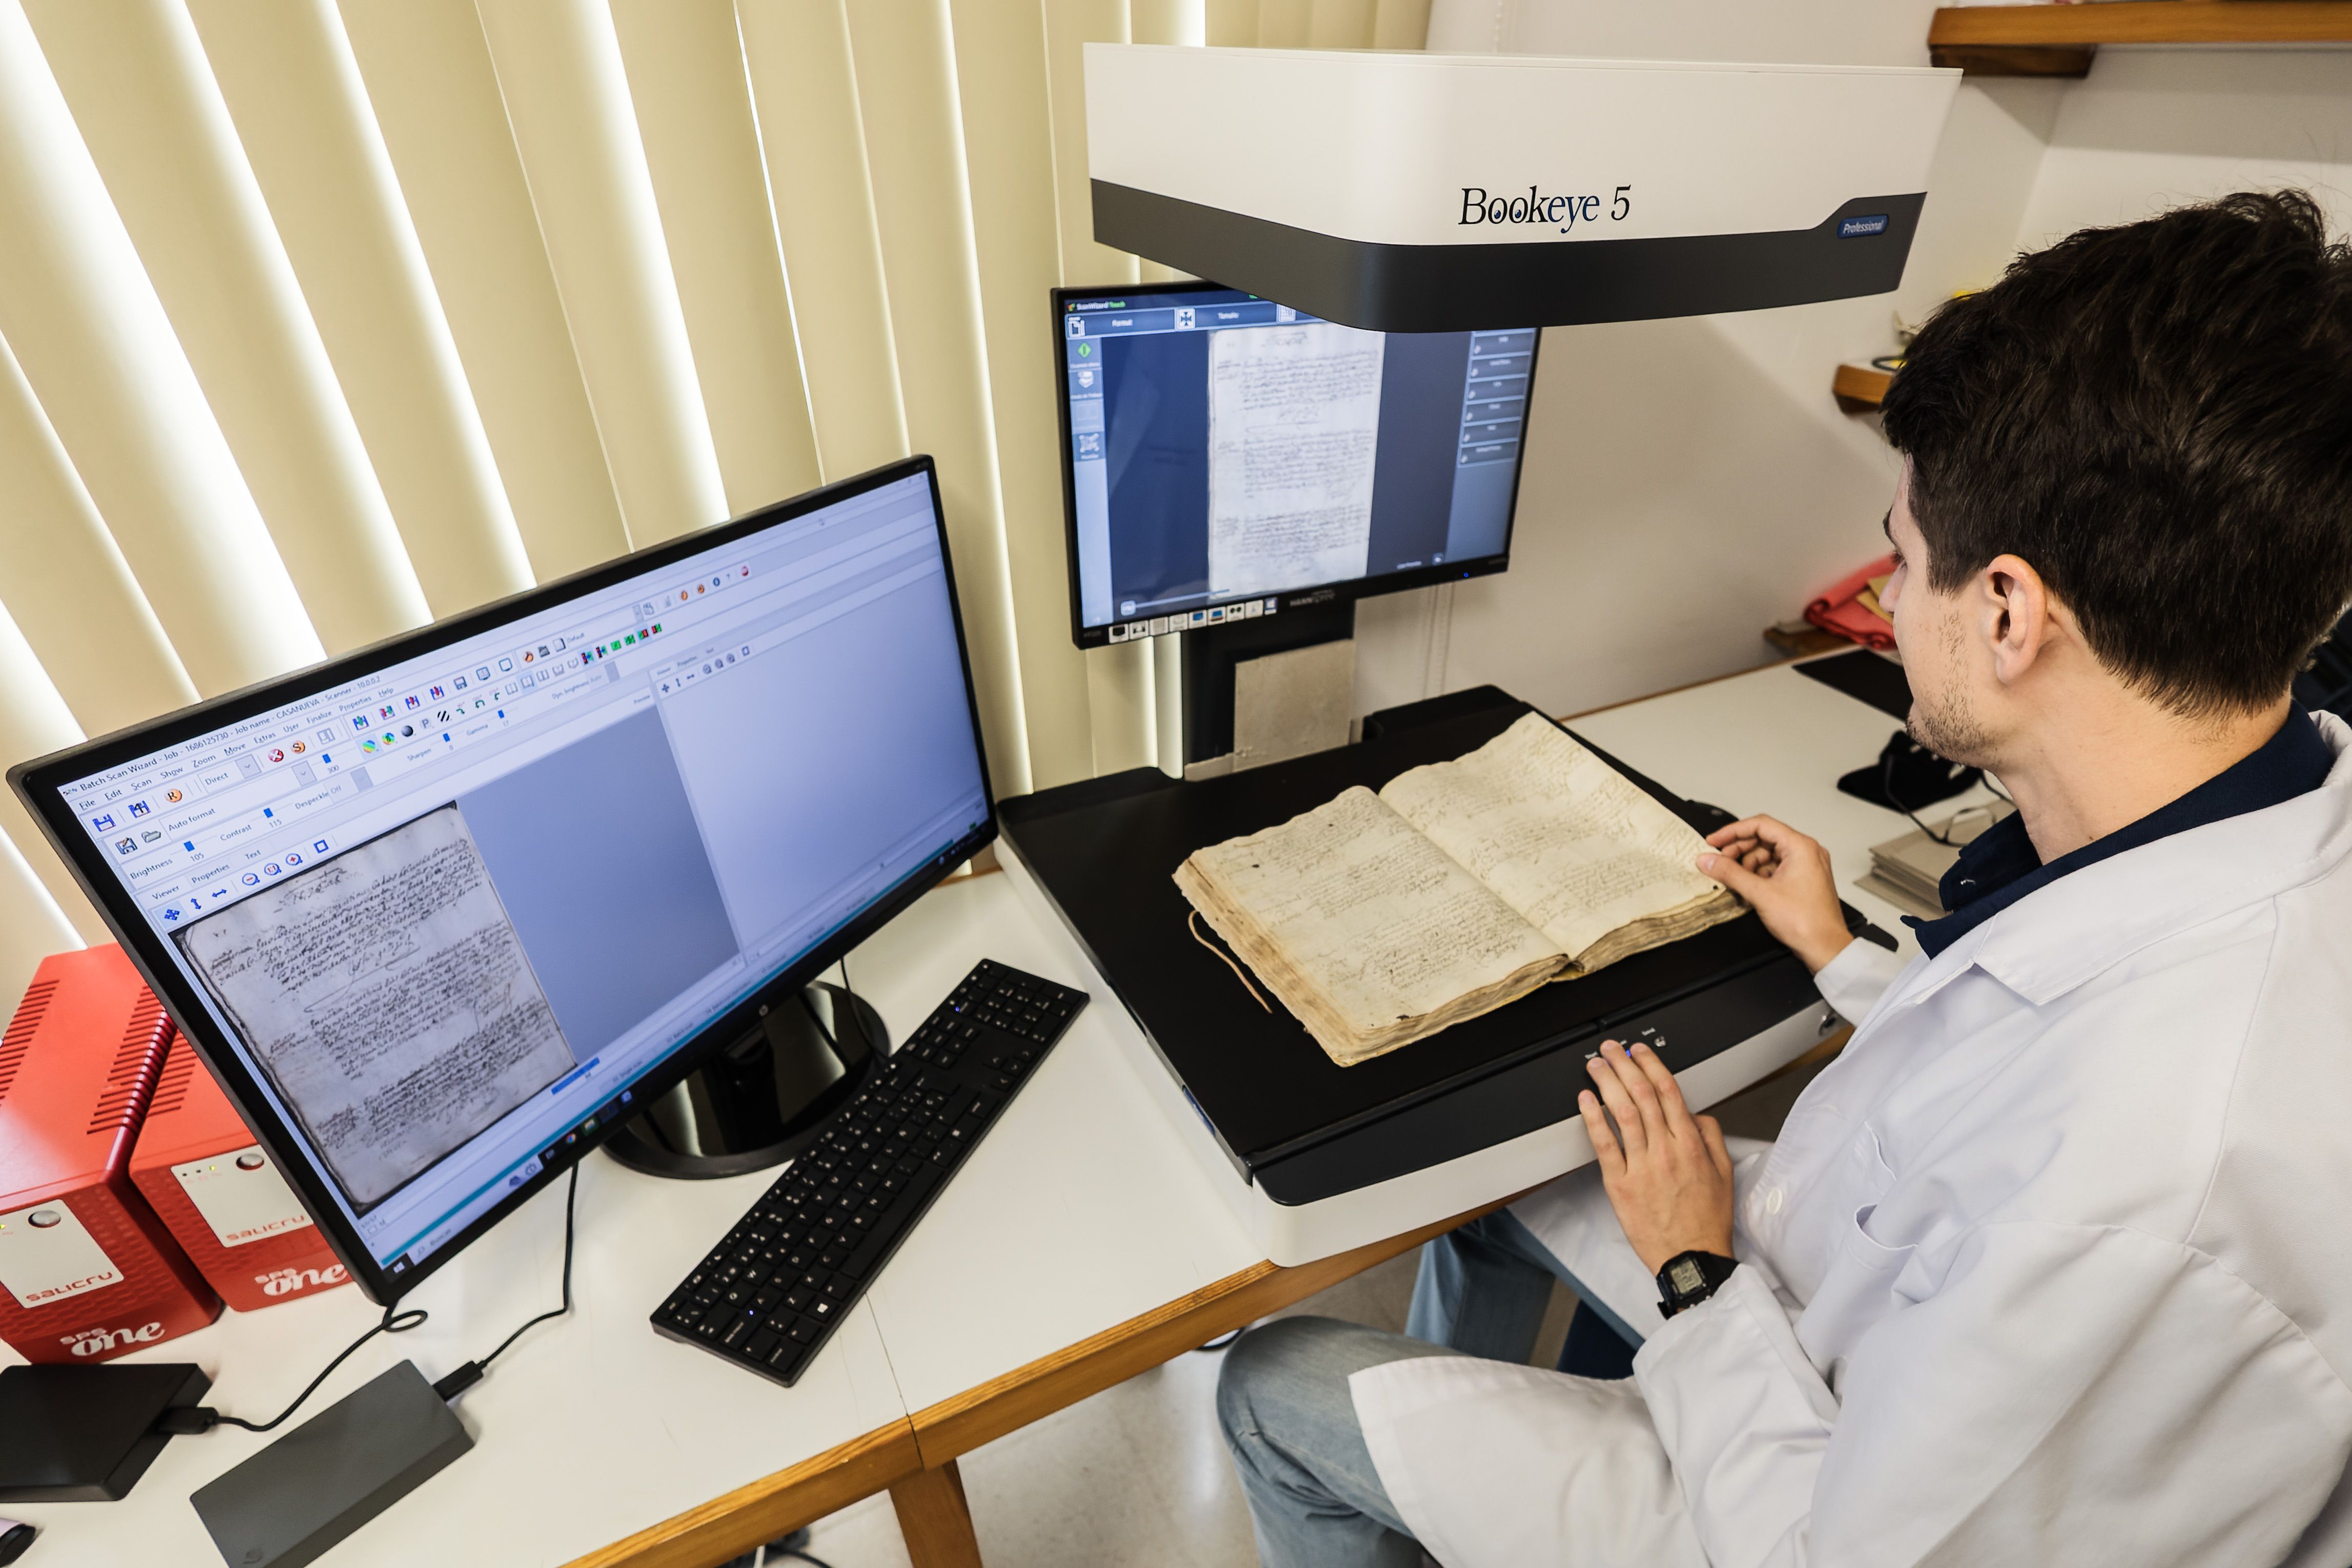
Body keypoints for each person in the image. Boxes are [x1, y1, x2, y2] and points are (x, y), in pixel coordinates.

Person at [1214, 189, 2352, 1567]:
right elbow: (2022, 1058)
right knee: (1512, 1191)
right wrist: (1845, 955)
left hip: (1785, 1502)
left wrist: (1694, 1280)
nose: (1882, 601)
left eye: (1903, 559)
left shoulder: (2164, 1188)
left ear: (2007, 613)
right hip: (1840, 1304)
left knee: (1265, 1387)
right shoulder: (2265, 808)